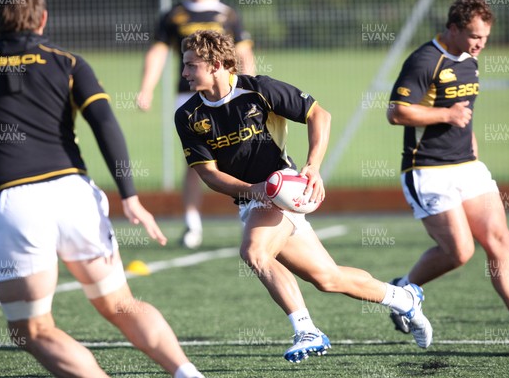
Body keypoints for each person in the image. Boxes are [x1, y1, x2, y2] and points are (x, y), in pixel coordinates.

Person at [0, 0, 204, 377]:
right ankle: (186, 372)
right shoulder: (68, 62)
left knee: (33, 329)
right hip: (74, 195)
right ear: (43, 19)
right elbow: (105, 122)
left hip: (13, 202)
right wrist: (130, 195)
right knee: (121, 304)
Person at [175, 30, 433, 363]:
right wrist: (250, 190)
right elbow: (208, 174)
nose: (183, 73)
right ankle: (404, 299)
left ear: (215, 65)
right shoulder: (188, 116)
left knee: (254, 252)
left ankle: (306, 330)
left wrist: (313, 166)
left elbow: (318, 115)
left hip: (283, 192)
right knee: (328, 278)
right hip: (254, 198)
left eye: (190, 65)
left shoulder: (259, 89)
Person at [386, 0, 509, 344]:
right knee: (460, 252)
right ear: (452, 28)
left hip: (468, 167)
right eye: (473, 36)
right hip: (428, 170)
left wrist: (473, 153)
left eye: (485, 37)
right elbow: (396, 112)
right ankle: (401, 292)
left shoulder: (471, 59)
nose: (480, 44)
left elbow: (466, 116)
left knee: (500, 241)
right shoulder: (425, 60)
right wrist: (445, 116)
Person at [138, 0, 255, 249]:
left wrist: (247, 89)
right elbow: (158, 51)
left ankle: (254, 216)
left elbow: (243, 52)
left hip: (228, 96)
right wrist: (147, 88)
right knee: (196, 161)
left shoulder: (227, 13)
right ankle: (192, 224)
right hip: (189, 98)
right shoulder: (174, 15)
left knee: (243, 152)